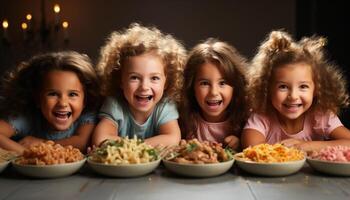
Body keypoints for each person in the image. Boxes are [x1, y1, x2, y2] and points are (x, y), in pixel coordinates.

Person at [241, 30, 350, 152]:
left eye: (303, 87)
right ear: (266, 89)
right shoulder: (262, 117)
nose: (293, 96)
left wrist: (307, 146)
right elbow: (251, 148)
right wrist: (287, 152)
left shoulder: (321, 115)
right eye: (283, 87)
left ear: (316, 89)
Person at [92, 23, 186, 147]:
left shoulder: (164, 106)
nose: (144, 87)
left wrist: (133, 148)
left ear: (166, 82)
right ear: (120, 81)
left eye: (154, 78)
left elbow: (172, 138)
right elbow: (101, 139)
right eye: (134, 77)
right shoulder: (115, 105)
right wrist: (138, 149)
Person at [0, 51, 101, 154]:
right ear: (38, 98)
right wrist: (28, 154)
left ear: (85, 101)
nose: (62, 103)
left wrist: (43, 144)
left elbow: (82, 143)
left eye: (72, 94)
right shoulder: (28, 116)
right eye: (53, 94)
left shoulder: (86, 115)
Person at [180, 38, 249, 150]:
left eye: (222, 83)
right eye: (205, 83)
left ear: (235, 86)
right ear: (191, 86)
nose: (213, 92)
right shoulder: (184, 118)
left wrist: (240, 142)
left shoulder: (244, 118)